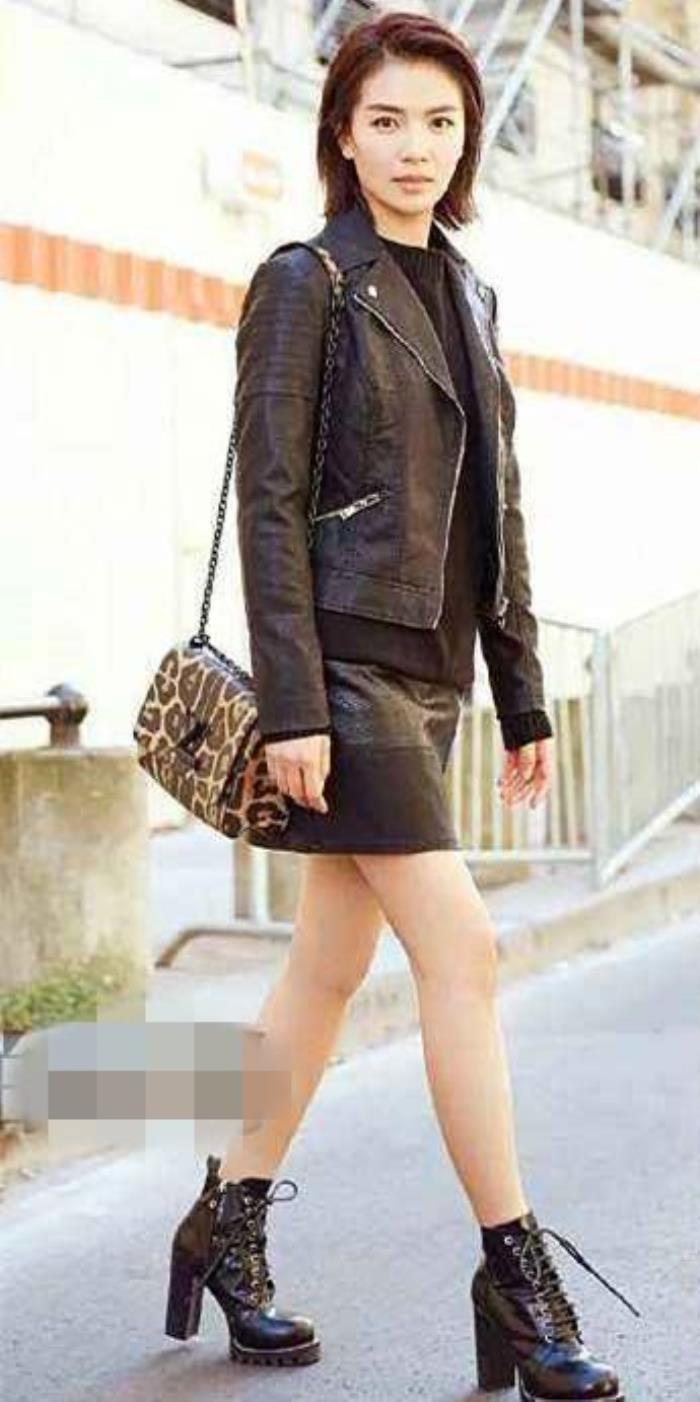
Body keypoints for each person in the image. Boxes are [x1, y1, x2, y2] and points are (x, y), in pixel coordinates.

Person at [164, 9, 640, 1393]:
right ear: (342, 133)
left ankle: (224, 1224)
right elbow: (270, 504)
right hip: (344, 674)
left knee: (324, 969)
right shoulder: (307, 278)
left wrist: (524, 693)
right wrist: (294, 705)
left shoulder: (470, 293)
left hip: (431, 677)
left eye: (439, 121)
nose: (415, 146)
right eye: (387, 121)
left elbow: (500, 508)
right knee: (464, 952)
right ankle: (515, 1271)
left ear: (468, 137)